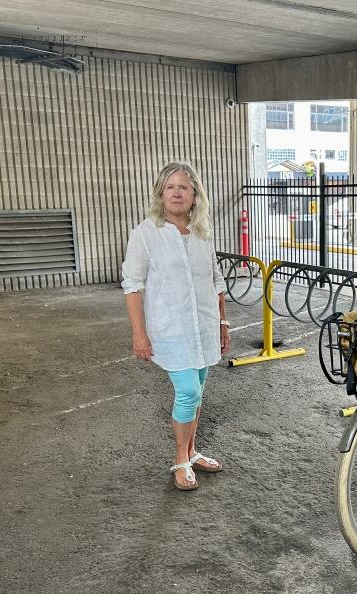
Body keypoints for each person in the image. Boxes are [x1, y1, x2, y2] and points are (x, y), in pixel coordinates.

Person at [121, 162, 230, 491]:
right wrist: (139, 334)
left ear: (195, 195)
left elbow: (216, 281)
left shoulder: (201, 233)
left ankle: (193, 452)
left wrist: (223, 323)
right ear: (160, 193)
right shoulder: (145, 233)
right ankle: (181, 459)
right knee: (188, 392)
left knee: (197, 395)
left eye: (184, 187)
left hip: (204, 328)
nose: (177, 192)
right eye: (170, 187)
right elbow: (132, 286)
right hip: (170, 329)